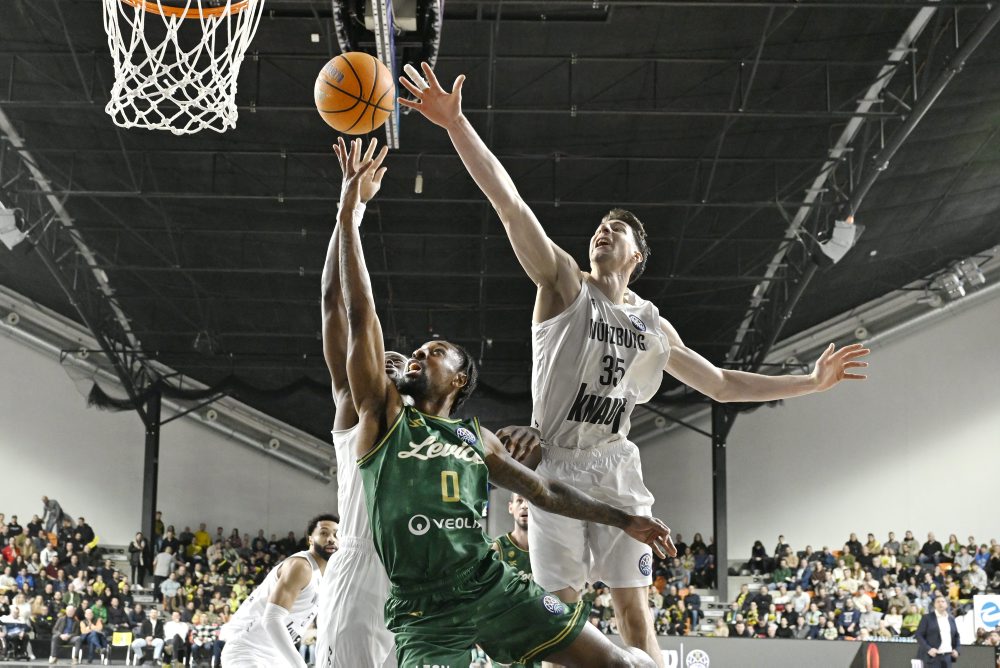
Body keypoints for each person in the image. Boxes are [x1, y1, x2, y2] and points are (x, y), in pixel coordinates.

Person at [398, 61, 870, 668]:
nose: (601, 232)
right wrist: (457, 125)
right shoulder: (565, 285)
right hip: (556, 466)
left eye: (614, 229)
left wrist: (810, 381)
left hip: (616, 464)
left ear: (636, 254)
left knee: (633, 615)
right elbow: (511, 206)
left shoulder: (652, 324)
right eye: (598, 227)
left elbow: (721, 384)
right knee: (559, 620)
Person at [336, 136, 674, 667]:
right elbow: (359, 315)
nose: (420, 355)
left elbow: (545, 491)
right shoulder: (384, 419)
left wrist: (621, 518)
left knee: (620, 661)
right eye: (418, 352)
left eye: (435, 351)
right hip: (428, 614)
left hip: (494, 590)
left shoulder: (478, 438)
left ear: (459, 381)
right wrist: (348, 215)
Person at [220, 515, 339, 667]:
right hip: (249, 650)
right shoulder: (301, 566)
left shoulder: (326, 576)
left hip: (276, 655)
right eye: (324, 533)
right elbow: (271, 620)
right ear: (310, 539)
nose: (331, 539)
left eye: (336, 534)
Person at [916, 595, 960, 667]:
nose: (940, 603)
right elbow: (919, 635)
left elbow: (956, 636)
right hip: (932, 657)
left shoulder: (951, 619)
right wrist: (929, 649)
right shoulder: (927, 618)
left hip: (947, 657)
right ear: (934, 605)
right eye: (938, 602)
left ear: (946, 604)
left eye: (942, 601)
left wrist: (957, 650)